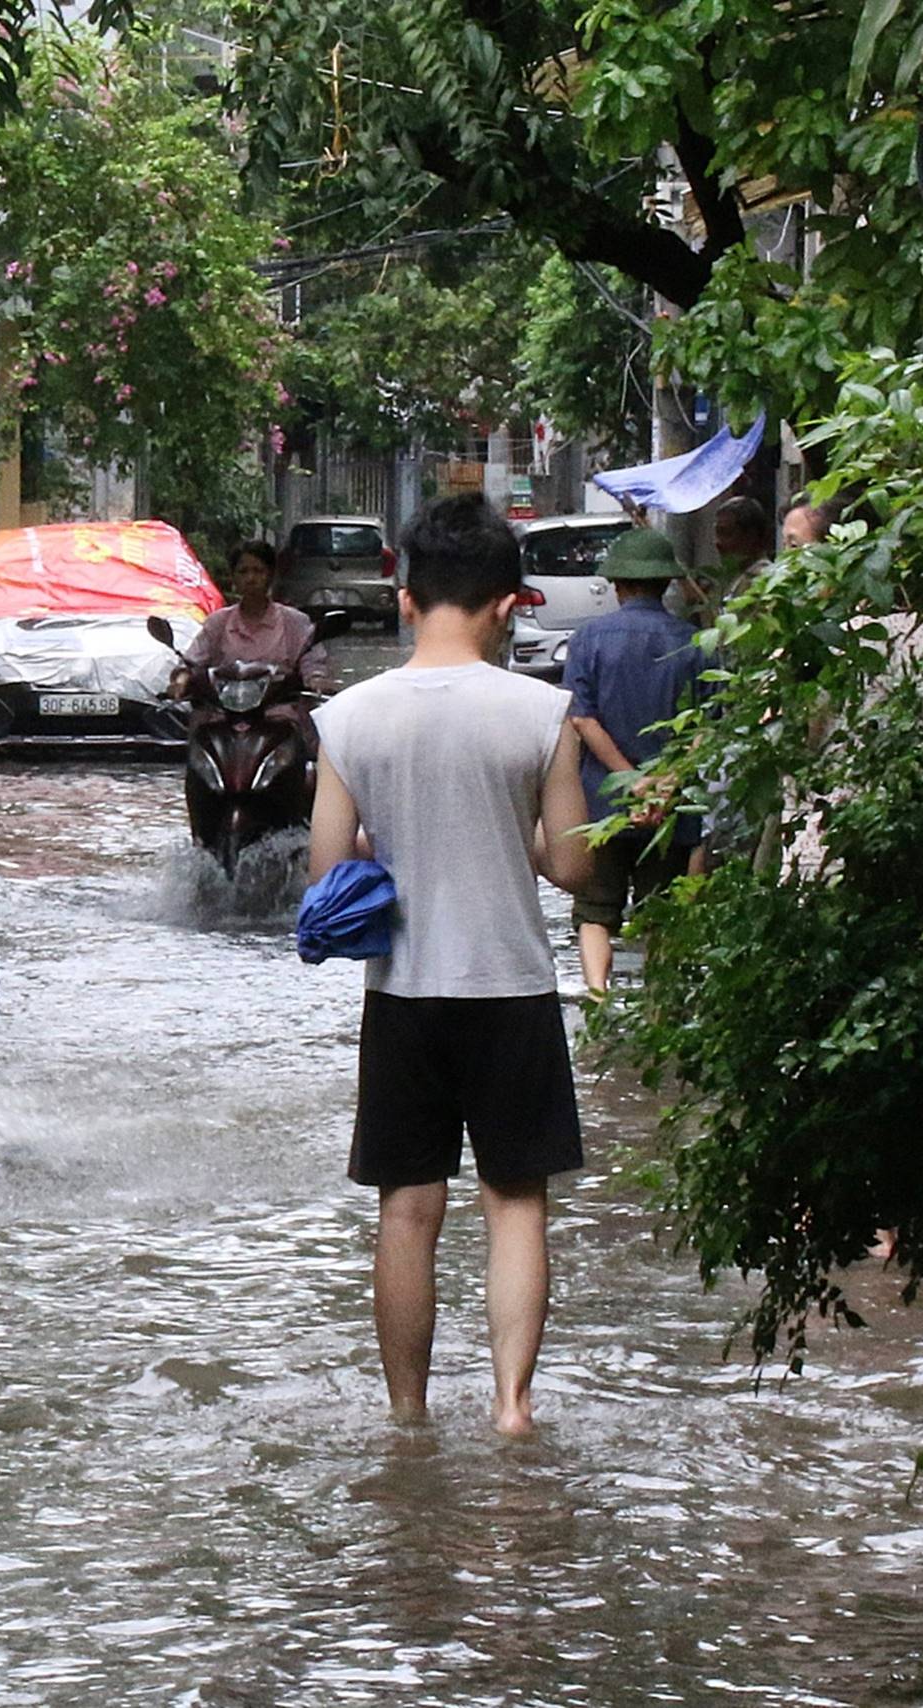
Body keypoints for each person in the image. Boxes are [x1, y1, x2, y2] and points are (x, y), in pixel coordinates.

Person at [307, 495, 595, 1439]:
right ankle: (513, 1408)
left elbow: (328, 874)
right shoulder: (540, 711)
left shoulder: (350, 718)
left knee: (408, 1210)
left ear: (403, 598)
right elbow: (572, 862)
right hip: (511, 987)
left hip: (402, 994)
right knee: (516, 1207)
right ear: (509, 606)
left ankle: (408, 1414)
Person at [563, 530, 716, 995]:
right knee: (662, 913)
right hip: (671, 810)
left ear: (618, 586)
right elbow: (708, 726)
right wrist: (664, 782)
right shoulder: (697, 642)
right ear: (664, 583)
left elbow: (582, 720)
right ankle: (660, 1008)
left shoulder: (588, 639)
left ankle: (597, 997)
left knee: (595, 912)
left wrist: (629, 779)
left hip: (604, 804)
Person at [165, 540, 341, 701]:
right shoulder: (217, 622)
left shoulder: (295, 622)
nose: (250, 579)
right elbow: (192, 662)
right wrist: (180, 682)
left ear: (271, 576)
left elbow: (312, 663)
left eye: (258, 571)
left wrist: (317, 680)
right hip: (224, 713)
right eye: (243, 572)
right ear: (233, 577)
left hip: (278, 712)